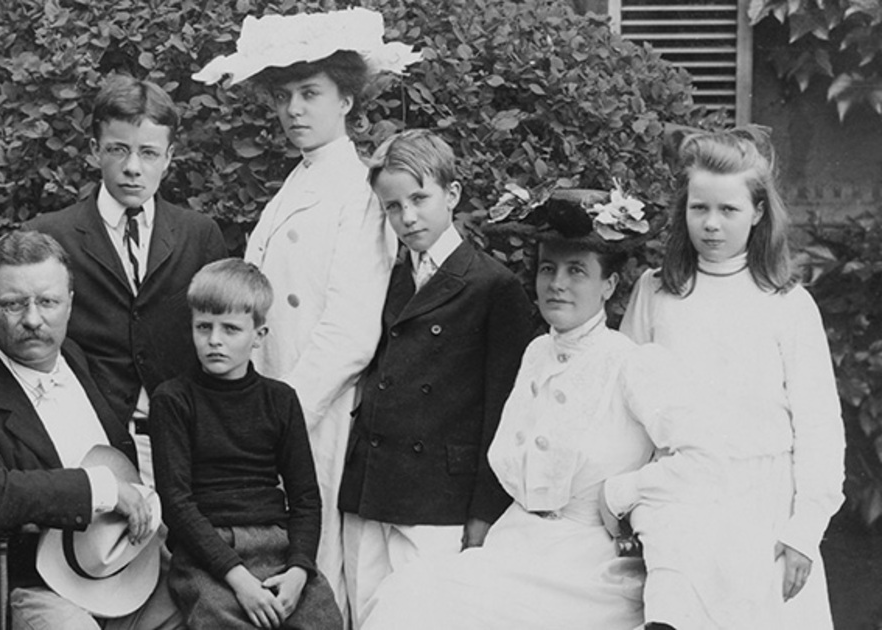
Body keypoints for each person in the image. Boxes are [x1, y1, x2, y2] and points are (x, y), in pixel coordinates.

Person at [360, 189, 725, 629]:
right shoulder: (536, 352)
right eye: (548, 269)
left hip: (589, 564)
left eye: (577, 272)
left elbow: (703, 456)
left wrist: (623, 495)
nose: (557, 284)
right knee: (405, 595)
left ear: (608, 285)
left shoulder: (630, 363)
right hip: (516, 544)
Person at [193, 8, 420, 612]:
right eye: (284, 96)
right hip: (267, 408)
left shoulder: (359, 191)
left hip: (313, 412)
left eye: (311, 93)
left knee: (313, 568)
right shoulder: (295, 184)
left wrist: (280, 416)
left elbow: (350, 331)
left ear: (346, 100)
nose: (294, 109)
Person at [621, 128, 845, 629]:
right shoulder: (656, 293)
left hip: (763, 512)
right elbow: (625, 413)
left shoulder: (787, 304)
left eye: (729, 210)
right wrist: (627, 498)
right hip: (679, 511)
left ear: (759, 212)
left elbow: (820, 428)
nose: (712, 225)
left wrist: (804, 530)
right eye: (699, 208)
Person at [0, 230, 182, 630]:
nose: (32, 319)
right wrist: (101, 490)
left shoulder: (76, 358)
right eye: (12, 304)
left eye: (48, 302)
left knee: (212, 602)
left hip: (126, 569)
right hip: (35, 588)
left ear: (70, 303)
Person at [335, 129, 533, 627]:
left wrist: (483, 514)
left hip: (438, 500)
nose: (407, 217)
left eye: (419, 198)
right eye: (392, 206)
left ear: (453, 194)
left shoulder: (493, 286)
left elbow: (502, 412)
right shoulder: (388, 274)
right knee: (363, 613)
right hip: (371, 488)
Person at [26, 74, 227, 487]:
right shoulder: (52, 235)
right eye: (118, 150)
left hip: (184, 444)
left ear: (169, 157)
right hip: (85, 444)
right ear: (94, 150)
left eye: (149, 153)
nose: (133, 168)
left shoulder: (199, 234)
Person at [149, 258, 343, 630]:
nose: (214, 340)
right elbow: (177, 503)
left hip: (277, 545)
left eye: (231, 329)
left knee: (323, 622)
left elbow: (305, 498)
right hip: (208, 551)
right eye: (203, 327)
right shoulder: (173, 400)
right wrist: (238, 579)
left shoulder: (280, 400)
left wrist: (300, 569)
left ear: (258, 336)